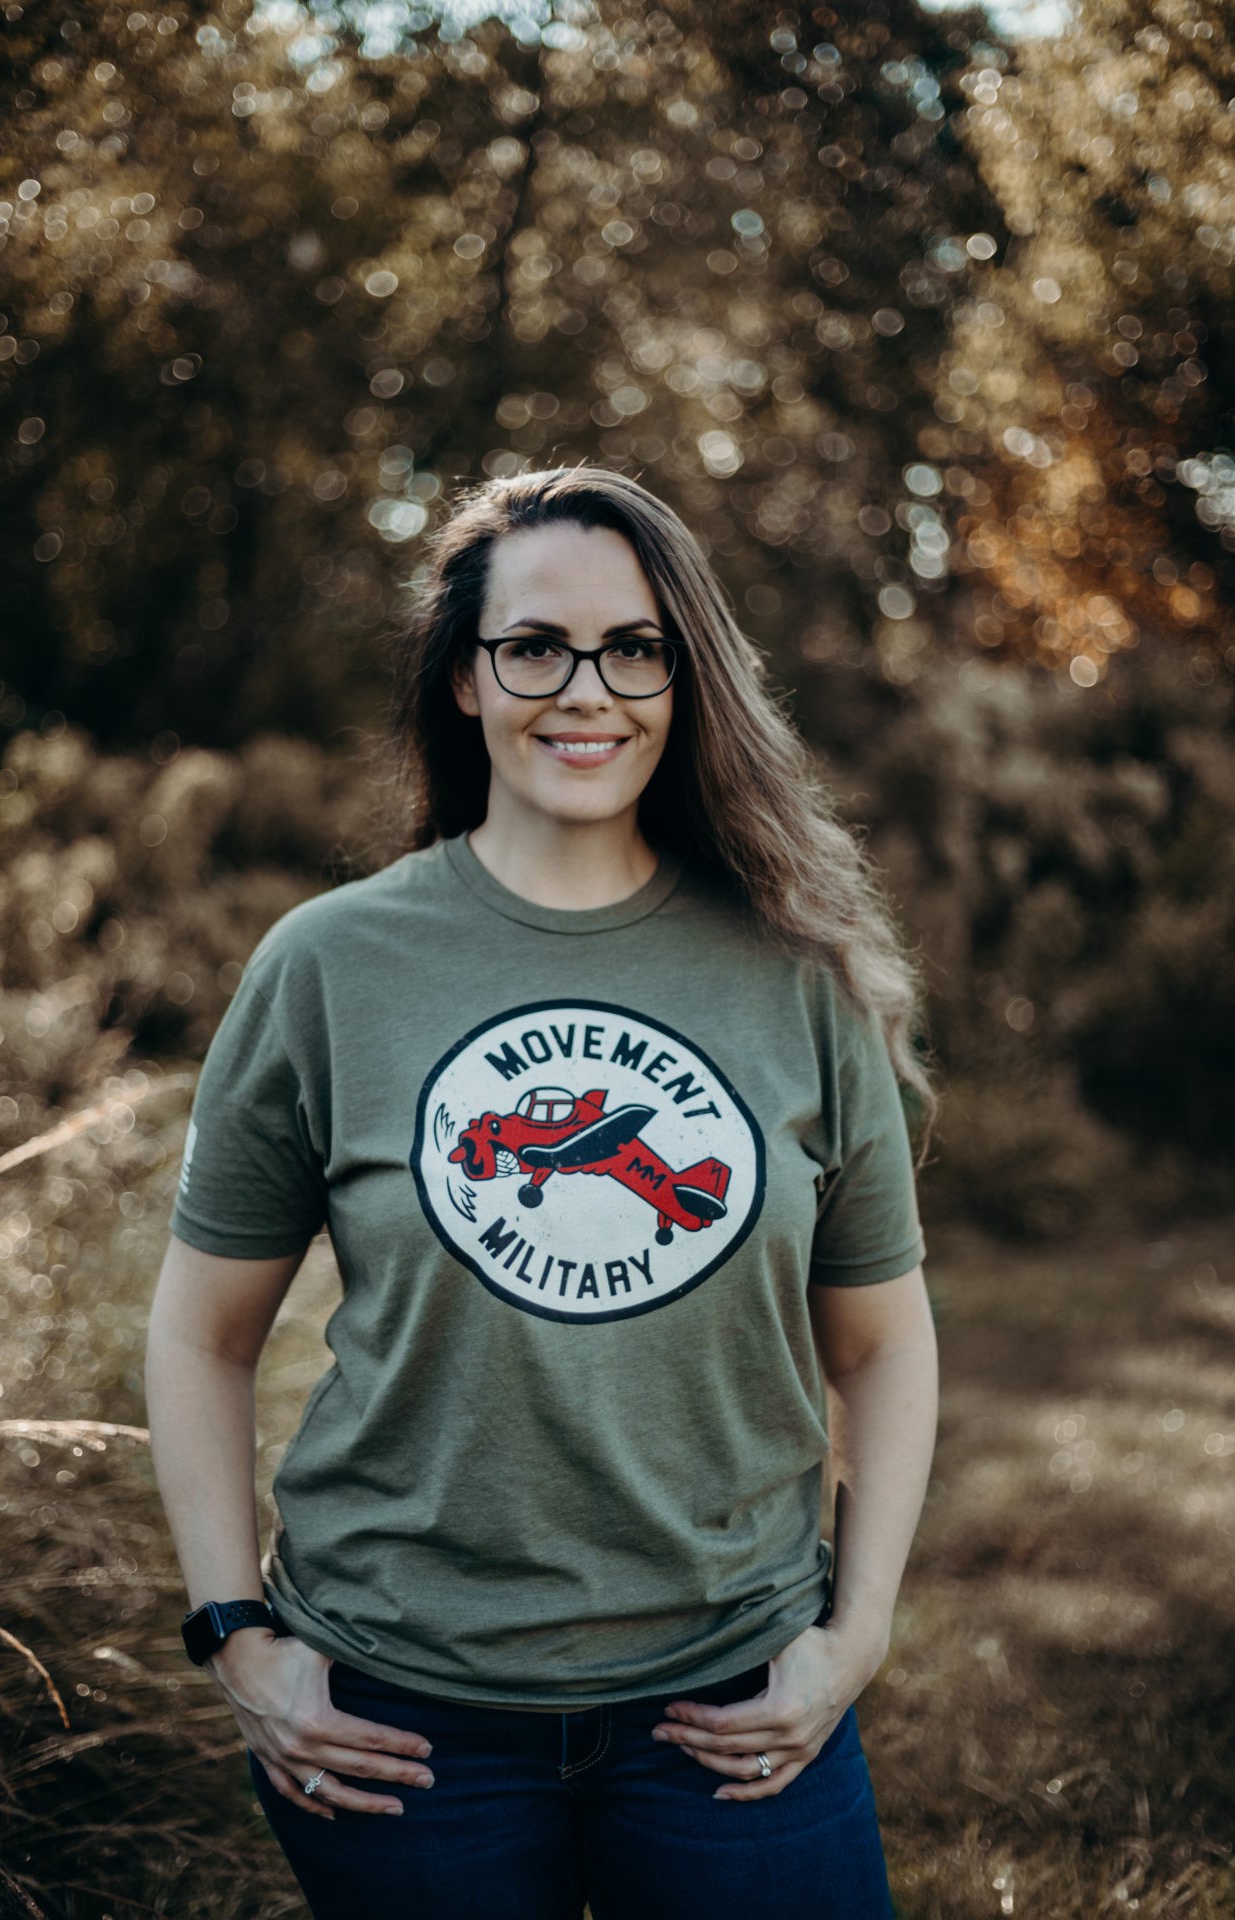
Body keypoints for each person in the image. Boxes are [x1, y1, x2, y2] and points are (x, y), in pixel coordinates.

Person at [145, 464, 940, 1920]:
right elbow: (203, 1332)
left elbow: (881, 1344)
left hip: (732, 1703)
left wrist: (856, 1634)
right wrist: (237, 1636)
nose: (589, 690)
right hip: (399, 1720)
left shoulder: (798, 973)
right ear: (464, 677)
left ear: (687, 676)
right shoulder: (328, 967)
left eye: (636, 646)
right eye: (535, 646)